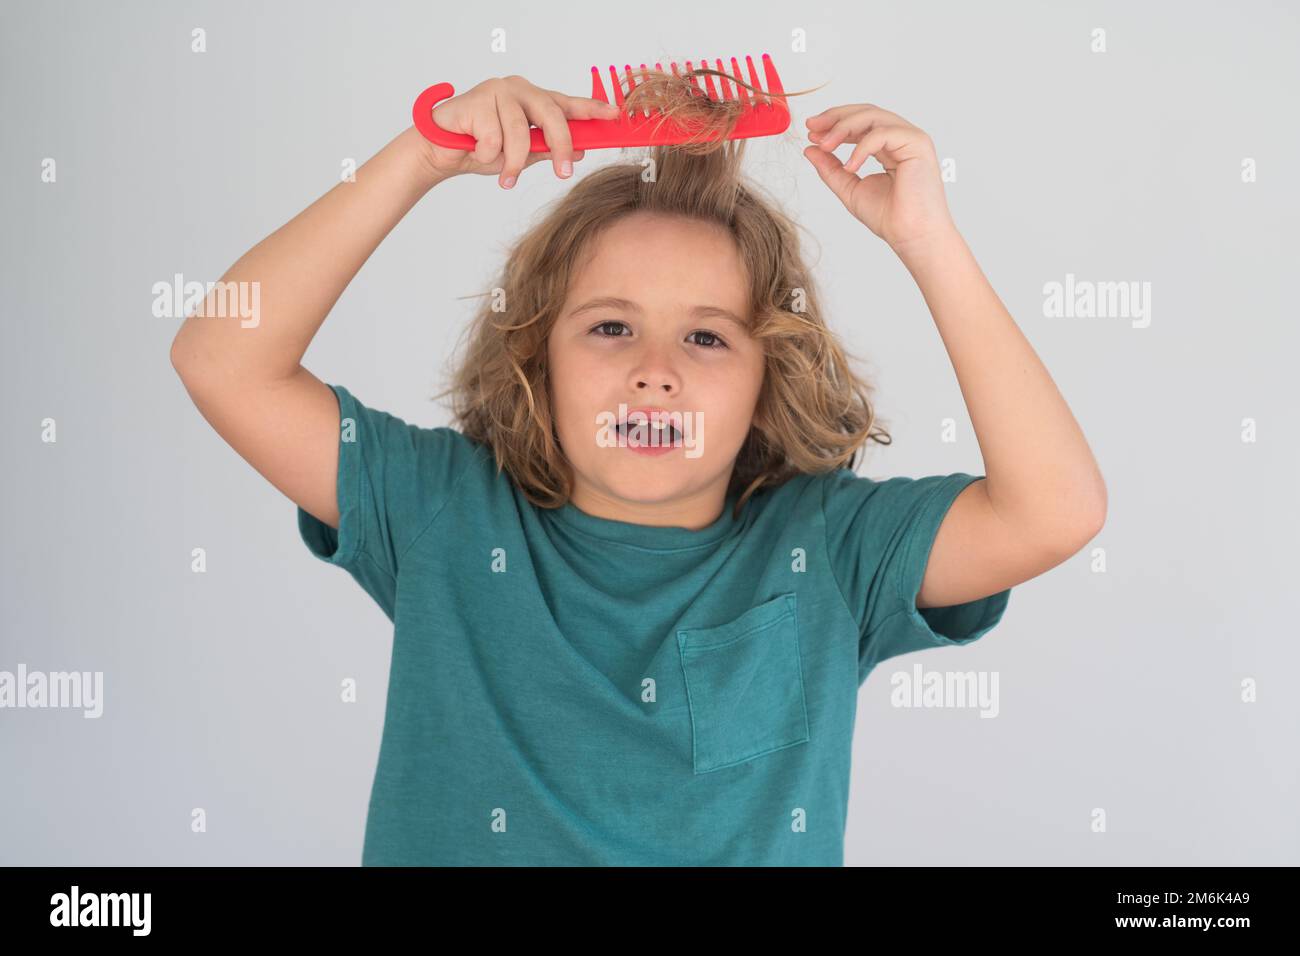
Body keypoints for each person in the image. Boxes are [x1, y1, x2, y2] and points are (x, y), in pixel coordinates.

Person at [169, 68, 1106, 865]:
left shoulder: (830, 547)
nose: (653, 373)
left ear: (764, 381)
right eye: (610, 327)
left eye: (705, 337)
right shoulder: (440, 510)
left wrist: (927, 241)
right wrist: (418, 162)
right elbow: (222, 361)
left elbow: (1054, 509)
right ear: (537, 356)